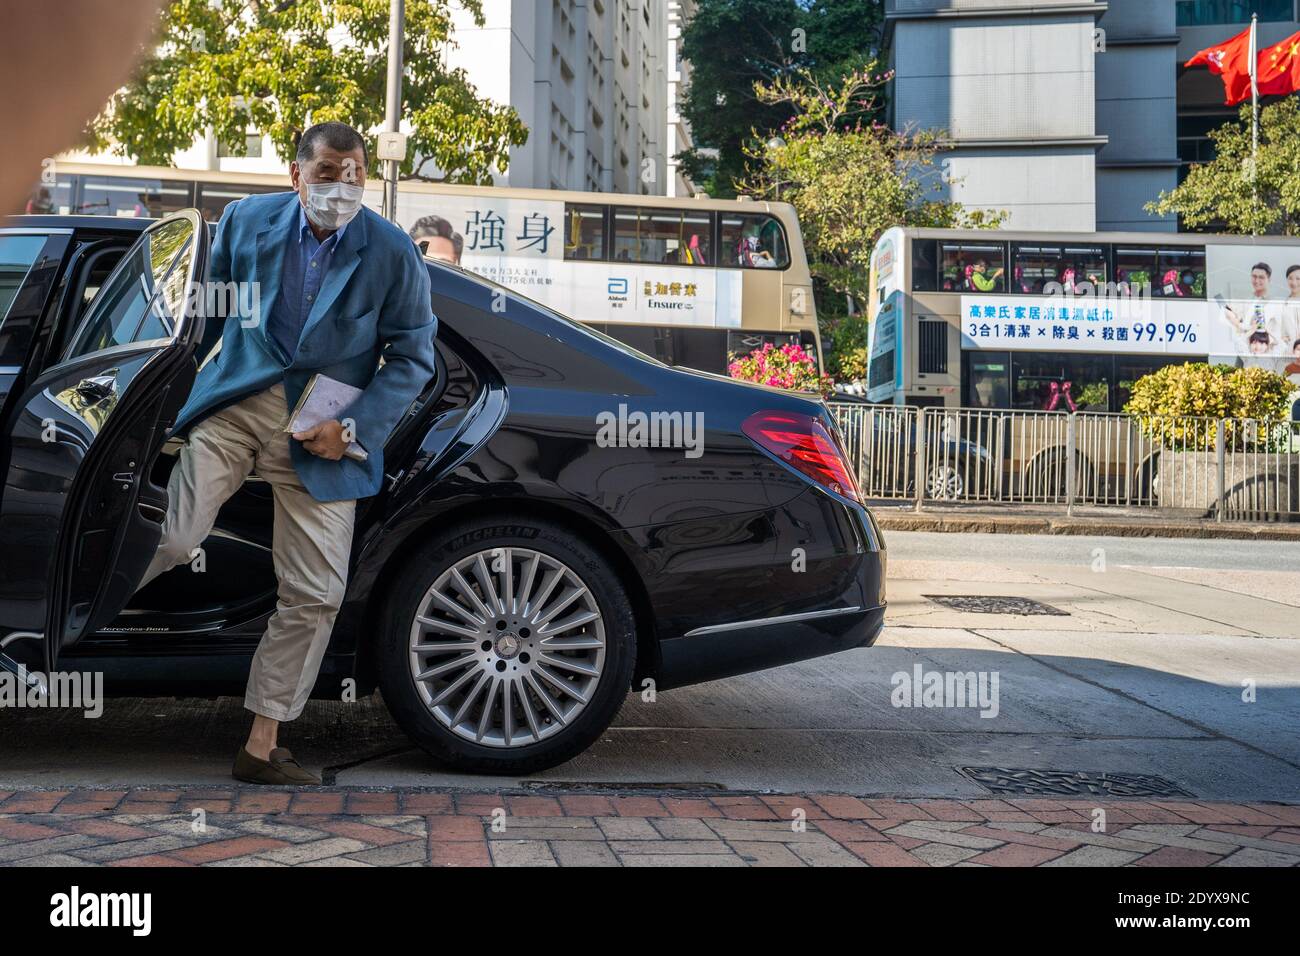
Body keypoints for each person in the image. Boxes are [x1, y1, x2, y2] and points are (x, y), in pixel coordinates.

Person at [134, 121, 437, 785]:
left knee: (316, 594)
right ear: (296, 176)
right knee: (171, 535)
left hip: (324, 432)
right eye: (327, 174)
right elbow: (199, 320)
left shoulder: (390, 251)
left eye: (354, 174)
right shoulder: (245, 221)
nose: (342, 187)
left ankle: (263, 745)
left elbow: (413, 356)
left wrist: (353, 429)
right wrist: (153, 402)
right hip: (236, 409)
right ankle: (47, 630)